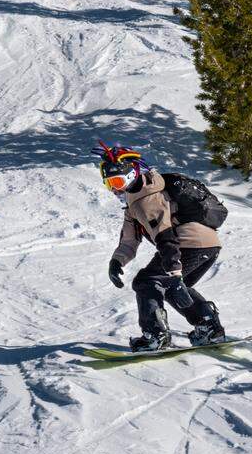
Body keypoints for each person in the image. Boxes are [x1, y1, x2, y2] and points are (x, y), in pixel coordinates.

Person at [94, 143, 226, 351]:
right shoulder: (135, 202)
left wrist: (173, 271)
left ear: (132, 174)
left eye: (118, 181)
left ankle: (155, 336)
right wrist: (117, 260)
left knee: (147, 281)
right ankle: (209, 327)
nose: (115, 189)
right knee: (171, 288)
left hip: (188, 243)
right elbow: (130, 239)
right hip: (209, 245)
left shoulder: (147, 198)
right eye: (110, 184)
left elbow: (165, 236)